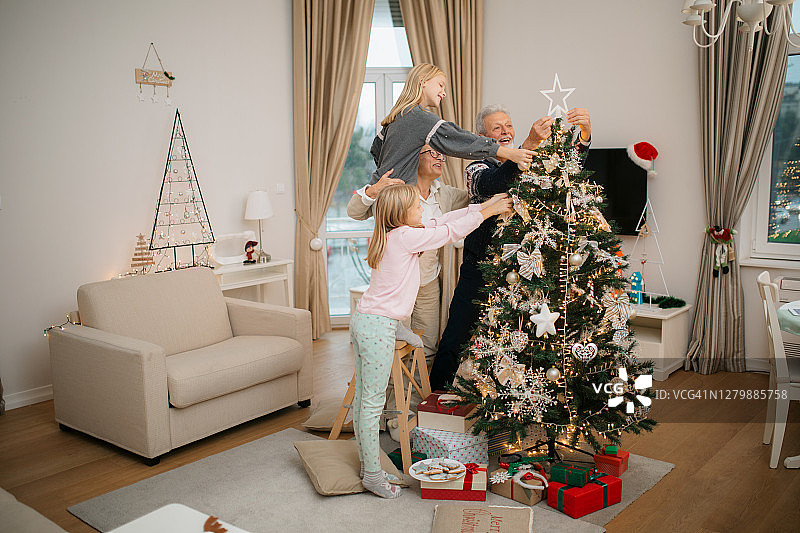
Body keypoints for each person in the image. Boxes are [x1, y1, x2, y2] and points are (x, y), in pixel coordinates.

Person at [351, 184, 512, 498]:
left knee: (363, 404)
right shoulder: (406, 237)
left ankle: (368, 466)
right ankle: (371, 474)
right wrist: (487, 212)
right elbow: (448, 232)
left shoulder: (395, 234)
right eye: (416, 207)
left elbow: (442, 221)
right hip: (376, 327)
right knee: (369, 406)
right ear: (402, 215)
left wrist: (482, 206)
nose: (422, 212)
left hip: (370, 318)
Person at [428, 105, 593, 392]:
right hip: (481, 270)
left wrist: (585, 133)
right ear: (483, 137)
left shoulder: (527, 159)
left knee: (516, 340)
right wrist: (528, 144)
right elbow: (493, 183)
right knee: (456, 336)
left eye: (508, 126)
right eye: (497, 128)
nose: (505, 132)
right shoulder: (476, 167)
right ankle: (434, 401)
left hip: (521, 272)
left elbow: (570, 168)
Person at [348, 144, 468, 358]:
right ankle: (393, 393)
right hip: (397, 288)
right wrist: (374, 189)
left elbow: (473, 202)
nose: (439, 157)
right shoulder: (395, 192)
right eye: (433, 152)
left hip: (429, 283)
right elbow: (354, 211)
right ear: (415, 156)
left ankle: (417, 393)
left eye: (442, 153)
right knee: (392, 350)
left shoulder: (446, 193)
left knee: (427, 346)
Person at [366, 63, 534, 187]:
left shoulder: (396, 117)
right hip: (398, 198)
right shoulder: (419, 117)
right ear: (423, 81)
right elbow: (460, 139)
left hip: (383, 194)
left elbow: (376, 148)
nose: (444, 92)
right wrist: (510, 153)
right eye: (440, 85)